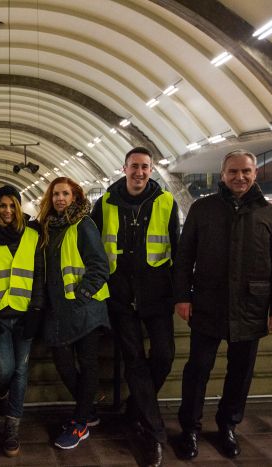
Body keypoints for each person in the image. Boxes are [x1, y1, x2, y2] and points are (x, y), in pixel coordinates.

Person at [174, 149, 272, 460]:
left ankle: (228, 426)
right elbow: (185, 257)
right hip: (208, 303)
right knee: (197, 370)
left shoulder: (269, 214)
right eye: (233, 172)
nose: (240, 177)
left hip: (251, 307)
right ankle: (190, 429)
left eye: (246, 172)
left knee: (240, 373)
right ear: (223, 175)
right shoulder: (202, 209)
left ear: (255, 174)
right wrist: (182, 296)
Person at [91, 147, 178, 467]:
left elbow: (178, 250)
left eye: (145, 167)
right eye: (134, 166)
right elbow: (93, 251)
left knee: (165, 355)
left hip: (157, 297)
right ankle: (155, 435)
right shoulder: (105, 204)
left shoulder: (166, 202)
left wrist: (182, 294)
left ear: (151, 169)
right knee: (135, 361)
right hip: (119, 298)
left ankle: (136, 408)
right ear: (124, 168)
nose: (140, 172)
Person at [38, 176, 110, 450]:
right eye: (56, 194)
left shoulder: (84, 225)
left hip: (85, 308)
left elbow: (99, 266)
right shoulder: (49, 227)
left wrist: (82, 296)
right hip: (60, 309)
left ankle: (80, 423)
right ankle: (89, 409)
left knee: (88, 362)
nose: (60, 198)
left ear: (75, 197)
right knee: (64, 364)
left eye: (65, 194)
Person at [0, 185, 45, 457]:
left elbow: (39, 275)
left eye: (12, 205)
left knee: (21, 371)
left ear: (19, 207)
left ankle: (12, 426)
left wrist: (37, 309)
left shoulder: (33, 234)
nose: (7, 211)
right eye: (2, 206)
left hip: (26, 313)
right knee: (5, 369)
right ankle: (1, 394)